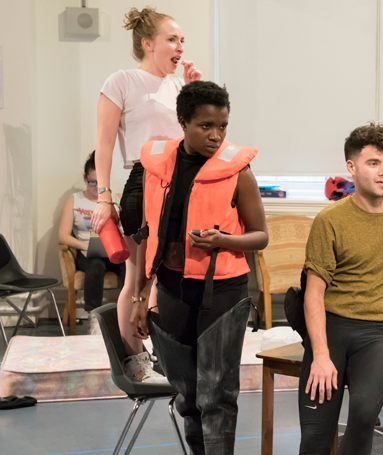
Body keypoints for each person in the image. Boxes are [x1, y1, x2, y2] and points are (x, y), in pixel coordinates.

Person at [129, 81, 268, 455]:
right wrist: (142, 296)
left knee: (218, 394)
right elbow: (147, 236)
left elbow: (260, 236)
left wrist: (223, 240)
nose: (216, 135)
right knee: (187, 393)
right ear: (183, 122)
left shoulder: (238, 172)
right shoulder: (155, 169)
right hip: (172, 289)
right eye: (206, 126)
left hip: (223, 293)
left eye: (222, 126)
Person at [299, 122, 383, 455]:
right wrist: (320, 356)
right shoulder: (330, 220)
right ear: (351, 167)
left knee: (363, 414)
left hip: (380, 332)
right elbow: (313, 294)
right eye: (374, 163)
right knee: (315, 435)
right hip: (333, 328)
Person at [90, 6, 202, 383]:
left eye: (182, 40)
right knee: (137, 280)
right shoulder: (122, 80)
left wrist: (192, 92)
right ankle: (136, 365)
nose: (180, 46)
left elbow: (195, 139)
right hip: (143, 179)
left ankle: (165, 356)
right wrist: (105, 196)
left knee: (166, 279)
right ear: (147, 43)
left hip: (179, 183)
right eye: (172, 39)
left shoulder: (176, 87)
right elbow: (104, 145)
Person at [58, 151, 123, 330]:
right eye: (92, 182)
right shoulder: (74, 201)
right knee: (95, 265)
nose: (96, 187)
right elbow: (63, 236)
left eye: (100, 183)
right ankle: (94, 317)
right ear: (85, 178)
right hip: (87, 252)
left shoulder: (114, 199)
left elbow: (123, 229)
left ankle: (128, 313)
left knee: (128, 266)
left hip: (112, 251)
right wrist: (85, 245)